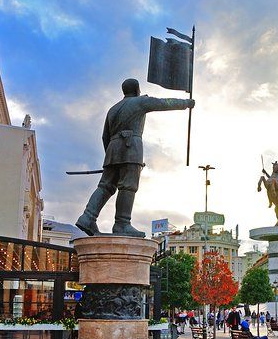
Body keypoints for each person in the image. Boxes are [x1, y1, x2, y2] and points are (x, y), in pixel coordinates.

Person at [75, 78, 195, 237]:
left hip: (112, 149)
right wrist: (186, 103)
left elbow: (105, 136)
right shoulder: (140, 102)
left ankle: (88, 217)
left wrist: (112, 156)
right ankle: (122, 224)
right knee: (128, 186)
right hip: (131, 148)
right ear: (137, 89)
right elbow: (163, 103)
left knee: (105, 186)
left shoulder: (113, 109)